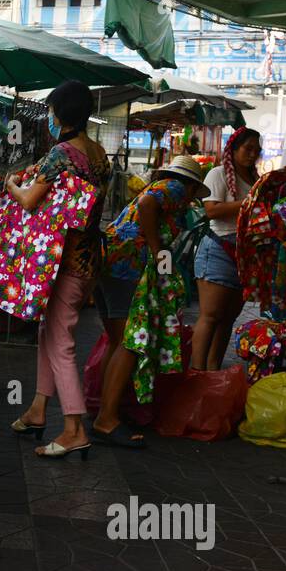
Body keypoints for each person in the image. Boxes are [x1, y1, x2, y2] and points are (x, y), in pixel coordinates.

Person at [4, 81, 110, 459]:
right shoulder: (98, 153)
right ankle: (37, 410)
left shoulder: (60, 154)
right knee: (50, 333)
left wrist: (12, 184)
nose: (48, 117)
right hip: (88, 259)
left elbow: (31, 201)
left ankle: (73, 428)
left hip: (61, 261)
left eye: (49, 111)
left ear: (58, 114)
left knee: (61, 342)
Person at [90, 155, 209, 448]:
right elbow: (147, 207)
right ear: (192, 185)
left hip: (109, 262)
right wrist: (158, 251)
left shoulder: (160, 186)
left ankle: (103, 410)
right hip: (128, 266)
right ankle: (105, 420)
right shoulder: (175, 188)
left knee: (117, 340)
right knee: (131, 343)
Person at [191, 127, 262, 371]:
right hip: (219, 250)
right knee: (210, 317)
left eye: (256, 150)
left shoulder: (256, 181)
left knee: (227, 320)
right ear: (233, 149)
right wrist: (247, 203)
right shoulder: (217, 174)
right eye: (248, 148)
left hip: (243, 255)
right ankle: (197, 374)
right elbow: (211, 210)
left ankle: (213, 374)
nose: (253, 154)